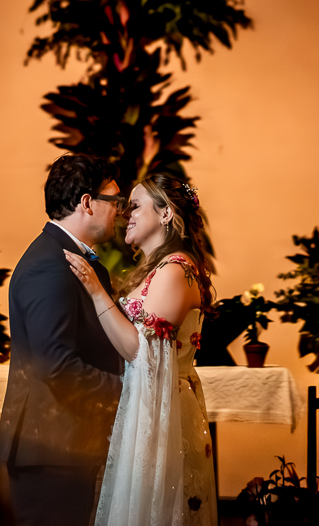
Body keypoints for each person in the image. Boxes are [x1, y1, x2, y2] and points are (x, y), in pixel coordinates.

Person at [64, 173, 218, 526]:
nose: (125, 214)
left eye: (135, 205)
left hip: (165, 413)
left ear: (166, 214)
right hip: (149, 405)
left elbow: (142, 353)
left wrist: (95, 289)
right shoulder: (159, 270)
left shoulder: (176, 270)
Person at [0, 153, 127, 526]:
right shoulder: (49, 265)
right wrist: (127, 392)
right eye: (113, 200)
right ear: (87, 202)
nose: (119, 210)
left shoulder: (69, 258)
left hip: (66, 443)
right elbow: (56, 364)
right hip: (50, 446)